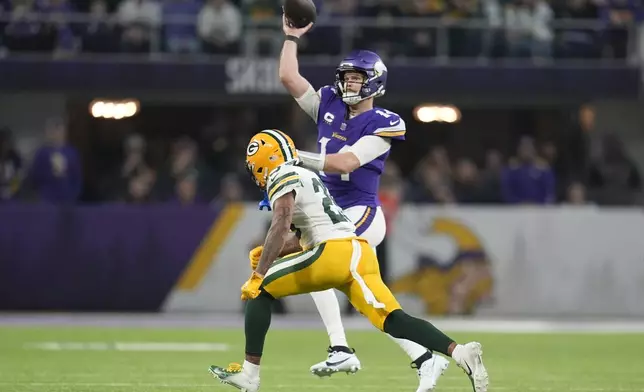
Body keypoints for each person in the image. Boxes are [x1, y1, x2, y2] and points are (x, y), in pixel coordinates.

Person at [209, 130, 489, 392]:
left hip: (333, 255)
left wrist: (260, 271)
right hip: (358, 251)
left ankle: (249, 375)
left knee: (261, 289)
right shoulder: (307, 176)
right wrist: (272, 251)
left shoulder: (281, 173)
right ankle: (460, 352)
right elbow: (303, 236)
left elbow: (281, 224)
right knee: (394, 319)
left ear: (263, 159)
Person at [276, 12, 446, 391]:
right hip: (328, 212)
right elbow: (289, 78)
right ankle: (418, 356)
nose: (350, 83)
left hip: (362, 211)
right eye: (347, 77)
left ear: (374, 84)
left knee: (323, 259)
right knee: (343, 280)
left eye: (358, 78)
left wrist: (291, 154)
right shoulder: (328, 105)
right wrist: (290, 37)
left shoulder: (385, 122)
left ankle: (344, 347)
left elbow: (346, 162)